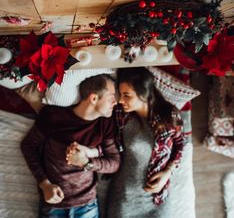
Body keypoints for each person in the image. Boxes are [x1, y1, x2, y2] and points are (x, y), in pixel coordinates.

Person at [21, 73, 120, 218]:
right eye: (111, 97)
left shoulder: (105, 124)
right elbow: (28, 146)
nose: (115, 102)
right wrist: (44, 184)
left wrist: (87, 162)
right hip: (53, 204)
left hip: (87, 206)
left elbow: (114, 162)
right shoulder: (53, 116)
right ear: (93, 98)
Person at [105, 67, 185, 218]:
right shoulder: (119, 115)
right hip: (125, 197)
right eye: (120, 94)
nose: (121, 100)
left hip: (157, 198)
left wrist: (167, 173)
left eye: (127, 95)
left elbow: (180, 143)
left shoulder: (170, 114)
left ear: (143, 93)